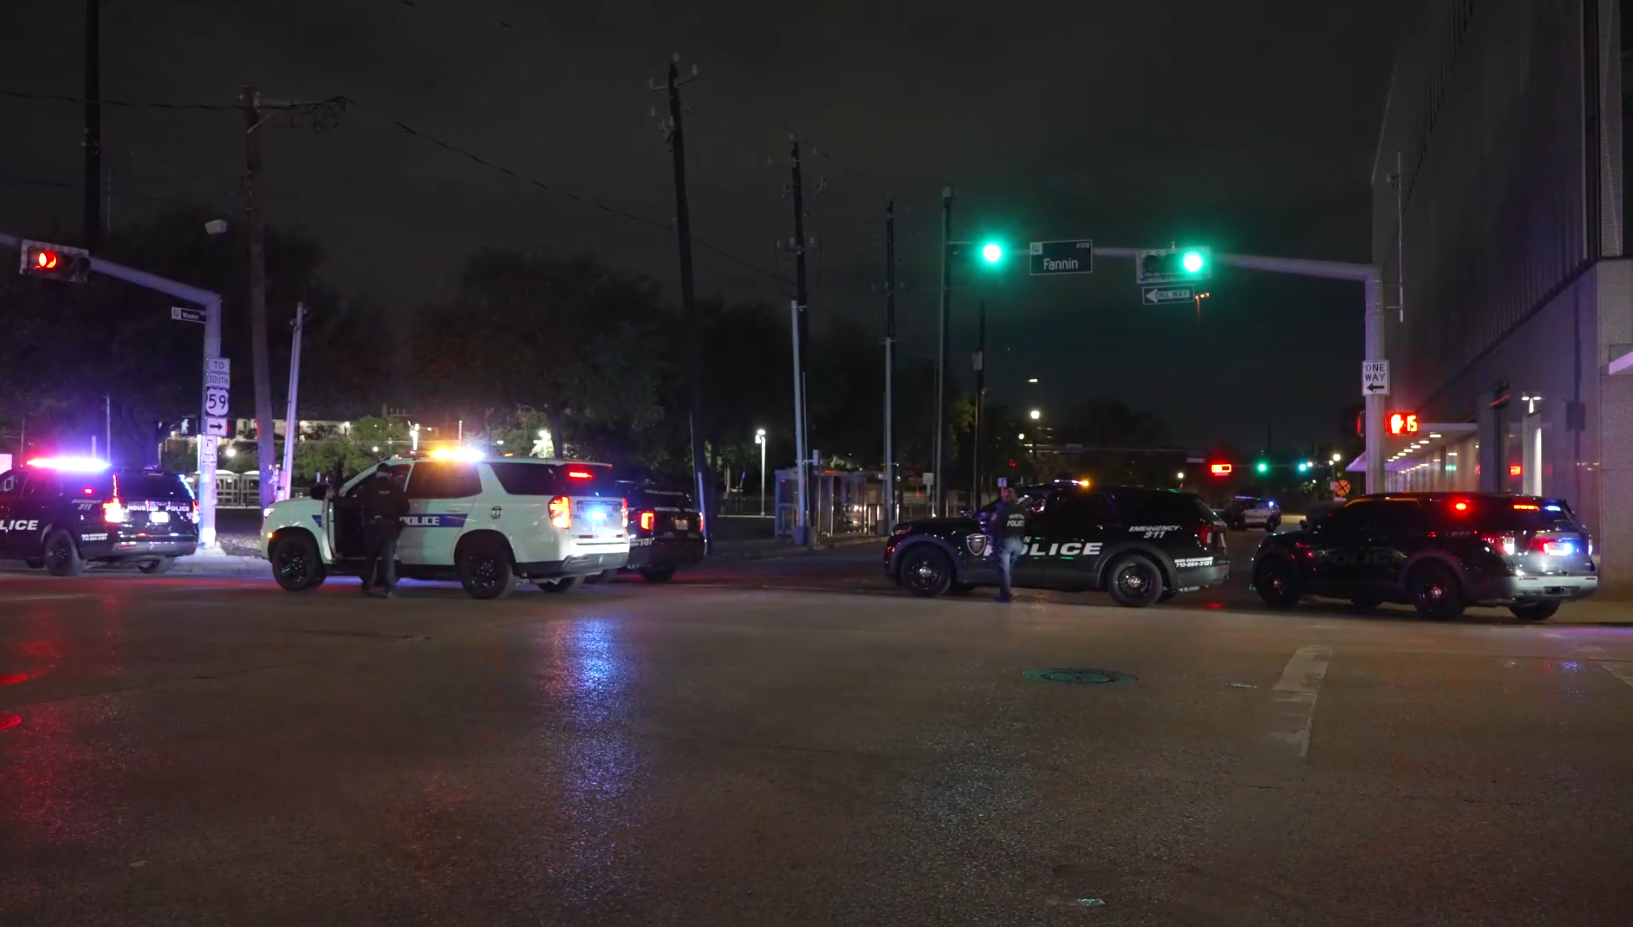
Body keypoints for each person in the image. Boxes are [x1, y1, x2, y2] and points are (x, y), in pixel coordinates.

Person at [359, 469, 409, 598]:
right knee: (388, 560)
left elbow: (356, 502)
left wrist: (335, 499)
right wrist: (395, 515)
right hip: (389, 526)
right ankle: (389, 590)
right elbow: (405, 506)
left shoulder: (369, 486)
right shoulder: (395, 487)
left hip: (372, 526)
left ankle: (368, 588)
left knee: (370, 558)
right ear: (389, 474)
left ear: (377, 473)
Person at [987, 485, 1029, 603]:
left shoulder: (1002, 509)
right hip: (1019, 543)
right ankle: (1005, 592)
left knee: (1004, 570)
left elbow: (993, 524)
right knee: (1008, 569)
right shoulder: (1022, 510)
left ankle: (1005, 595)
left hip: (1006, 542)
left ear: (1004, 497)